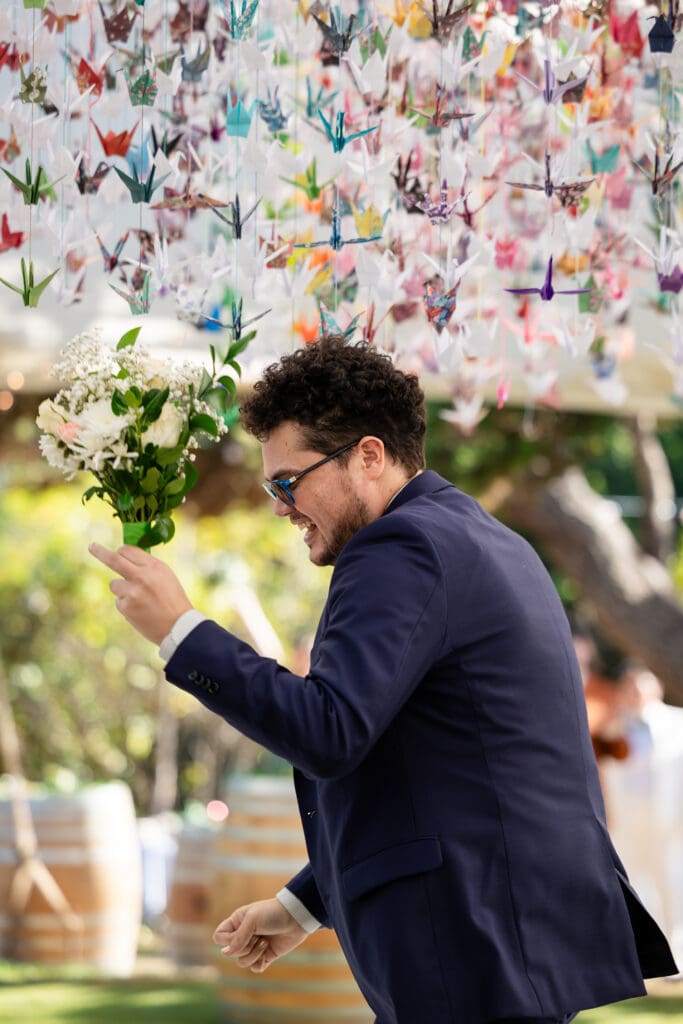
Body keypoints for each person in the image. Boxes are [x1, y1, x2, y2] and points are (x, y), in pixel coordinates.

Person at [89, 336, 677, 1024]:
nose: (280, 507)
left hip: (469, 946)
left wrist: (182, 631)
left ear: (367, 455)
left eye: (288, 482)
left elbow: (328, 729)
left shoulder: (401, 547)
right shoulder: (486, 540)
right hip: (501, 940)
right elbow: (431, 766)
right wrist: (301, 903)